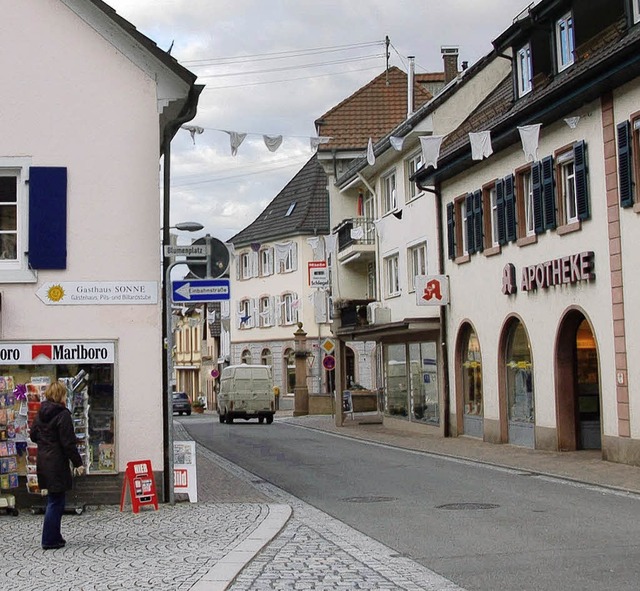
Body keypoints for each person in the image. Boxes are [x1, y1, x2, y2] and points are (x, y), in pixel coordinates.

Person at [30, 381, 84, 550]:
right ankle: (49, 539)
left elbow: (33, 435)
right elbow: (68, 443)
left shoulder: (40, 414)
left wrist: (45, 442)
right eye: (65, 394)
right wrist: (78, 463)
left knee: (55, 499)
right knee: (56, 501)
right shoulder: (63, 415)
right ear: (60, 395)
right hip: (57, 462)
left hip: (43, 460)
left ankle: (55, 535)